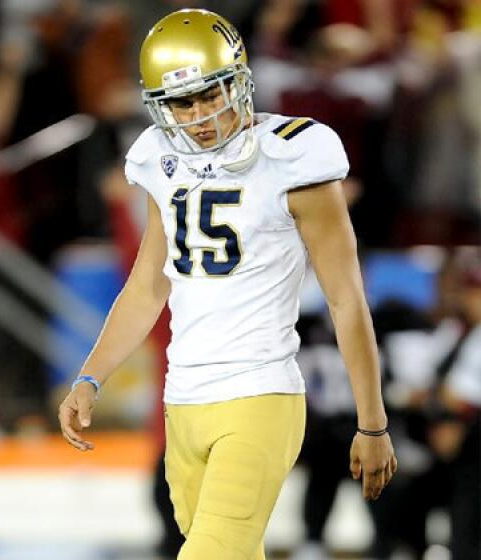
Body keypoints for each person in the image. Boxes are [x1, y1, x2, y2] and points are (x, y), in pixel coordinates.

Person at [57, 9, 398, 559]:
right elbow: (149, 284)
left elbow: (346, 298)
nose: (198, 115)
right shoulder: (158, 157)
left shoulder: (294, 155)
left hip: (259, 392)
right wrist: (91, 376)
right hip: (183, 399)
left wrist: (373, 423)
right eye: (181, 103)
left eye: (209, 94)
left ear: (240, 79)